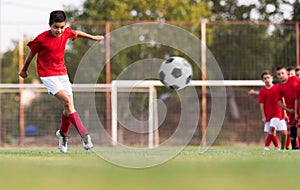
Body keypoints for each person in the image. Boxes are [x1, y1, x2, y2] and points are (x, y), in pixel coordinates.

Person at [19, 10, 104, 153]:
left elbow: (76, 33)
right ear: (50, 25)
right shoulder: (41, 39)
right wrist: (24, 69)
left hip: (62, 73)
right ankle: (85, 136)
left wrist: (93, 37)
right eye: (56, 27)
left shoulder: (66, 32)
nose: (59, 30)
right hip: (47, 74)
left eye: (61, 27)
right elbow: (31, 54)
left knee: (68, 107)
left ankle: (63, 135)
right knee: (68, 102)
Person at [258, 70, 287, 150]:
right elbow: (261, 104)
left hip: (278, 113)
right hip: (268, 114)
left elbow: (283, 99)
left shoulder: (277, 88)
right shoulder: (262, 91)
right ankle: (275, 148)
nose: (267, 79)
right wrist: (263, 116)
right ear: (262, 80)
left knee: (282, 133)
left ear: (272, 78)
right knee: (271, 131)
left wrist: (285, 112)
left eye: (268, 77)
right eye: (265, 78)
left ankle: (270, 147)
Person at [276, 66, 300, 149]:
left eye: (282, 73)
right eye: (279, 74)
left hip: (299, 105)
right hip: (291, 109)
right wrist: (288, 110)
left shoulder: (294, 79)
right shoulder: (279, 87)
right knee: (293, 126)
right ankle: (294, 146)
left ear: (286, 73)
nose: (281, 75)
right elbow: (279, 101)